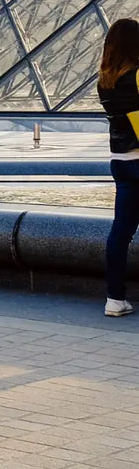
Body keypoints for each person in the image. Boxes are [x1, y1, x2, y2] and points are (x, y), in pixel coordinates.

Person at [96, 16, 139, 317]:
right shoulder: (138, 75)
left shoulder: (104, 81)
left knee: (120, 233)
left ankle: (114, 299)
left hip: (121, 162)